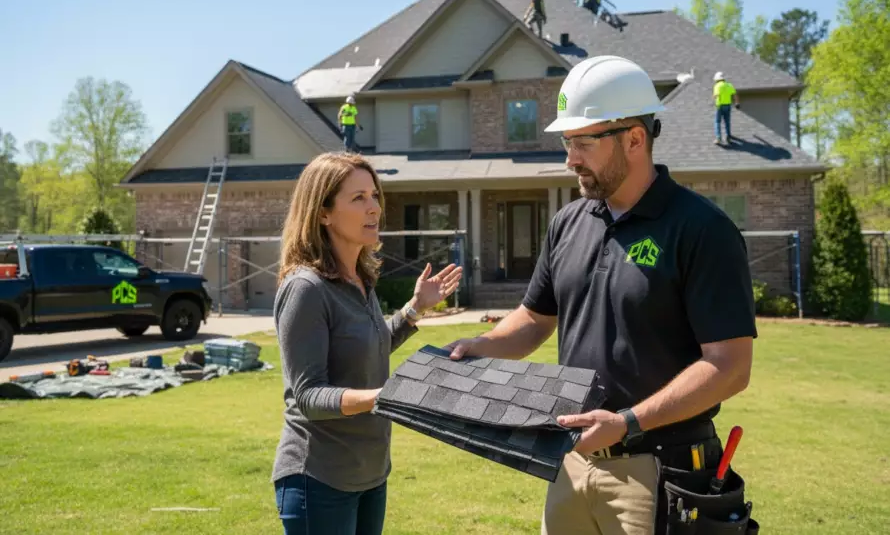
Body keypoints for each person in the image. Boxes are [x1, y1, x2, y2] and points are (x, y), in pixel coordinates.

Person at [446, 55, 756, 535]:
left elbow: (730, 367)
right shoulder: (568, 223)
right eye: (567, 143)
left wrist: (628, 421)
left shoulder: (702, 230)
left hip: (657, 471)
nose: (570, 159)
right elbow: (534, 319)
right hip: (569, 463)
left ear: (635, 138)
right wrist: (477, 348)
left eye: (583, 142)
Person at [272, 151, 463, 535]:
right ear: (323, 213)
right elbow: (308, 396)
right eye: (357, 198)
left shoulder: (361, 280)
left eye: (374, 195)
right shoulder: (306, 289)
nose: (373, 207)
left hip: (370, 473)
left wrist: (414, 310)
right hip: (319, 479)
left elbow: (367, 350)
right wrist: (385, 396)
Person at [712, 72, 739, 145]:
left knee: (717, 122)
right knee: (727, 121)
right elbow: (735, 94)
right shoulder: (729, 85)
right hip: (728, 105)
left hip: (720, 106)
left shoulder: (717, 85)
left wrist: (714, 100)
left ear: (717, 79)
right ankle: (728, 136)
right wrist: (737, 103)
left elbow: (716, 96)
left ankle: (718, 138)